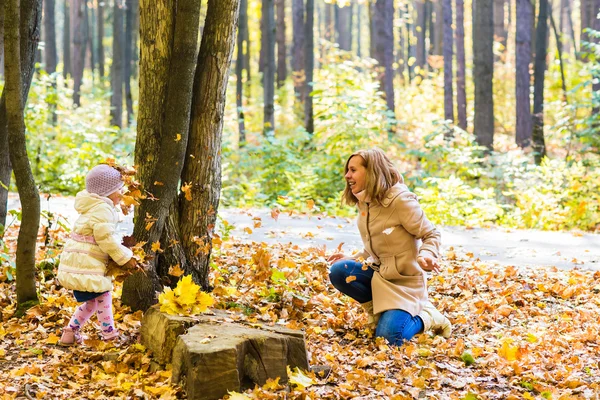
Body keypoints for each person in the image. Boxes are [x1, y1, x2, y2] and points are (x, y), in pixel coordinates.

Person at [327, 148, 451, 346]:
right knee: (339, 271)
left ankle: (428, 316)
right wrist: (351, 258)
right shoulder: (365, 202)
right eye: (347, 170)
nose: (347, 175)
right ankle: (379, 311)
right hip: (379, 275)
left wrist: (426, 254)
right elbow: (373, 249)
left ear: (371, 172)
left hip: (404, 283)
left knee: (388, 340)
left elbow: (431, 233)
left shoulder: (400, 200)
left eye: (353, 170)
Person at [57, 164, 136, 346]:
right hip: (87, 263)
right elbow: (106, 238)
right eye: (119, 190)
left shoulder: (95, 206)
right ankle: (110, 337)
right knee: (104, 297)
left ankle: (69, 333)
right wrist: (125, 257)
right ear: (107, 192)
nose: (121, 194)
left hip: (82, 262)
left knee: (92, 302)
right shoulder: (102, 209)